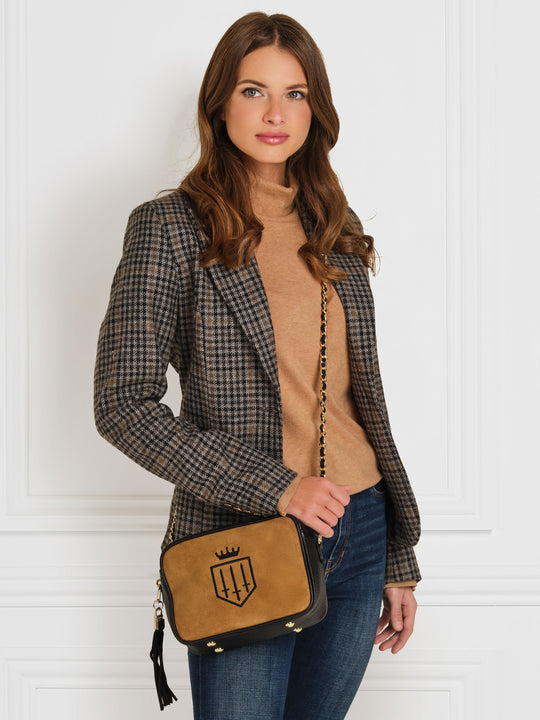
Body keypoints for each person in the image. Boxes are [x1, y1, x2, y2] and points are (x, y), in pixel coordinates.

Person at [94, 11, 421, 720]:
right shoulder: (170, 227)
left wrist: (398, 556)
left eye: (295, 93)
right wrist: (278, 487)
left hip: (361, 526)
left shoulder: (334, 226)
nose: (276, 113)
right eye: (253, 91)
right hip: (244, 537)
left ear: (315, 109)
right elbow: (122, 405)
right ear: (220, 103)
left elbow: (357, 401)